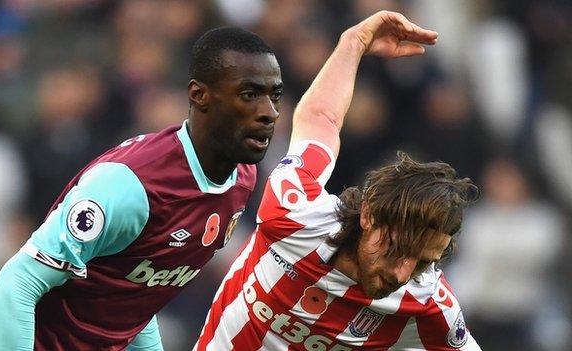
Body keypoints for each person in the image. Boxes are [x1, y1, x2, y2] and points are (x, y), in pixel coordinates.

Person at [0, 26, 283, 351]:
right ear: (199, 96)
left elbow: (135, 296)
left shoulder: (242, 179)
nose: (269, 113)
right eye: (250, 94)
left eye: (275, 96)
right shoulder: (130, 185)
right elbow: (17, 284)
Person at [195, 11, 482, 350]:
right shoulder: (294, 215)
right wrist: (354, 43)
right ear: (369, 214)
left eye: (423, 263)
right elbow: (322, 119)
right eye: (399, 249)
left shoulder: (430, 302)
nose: (402, 274)